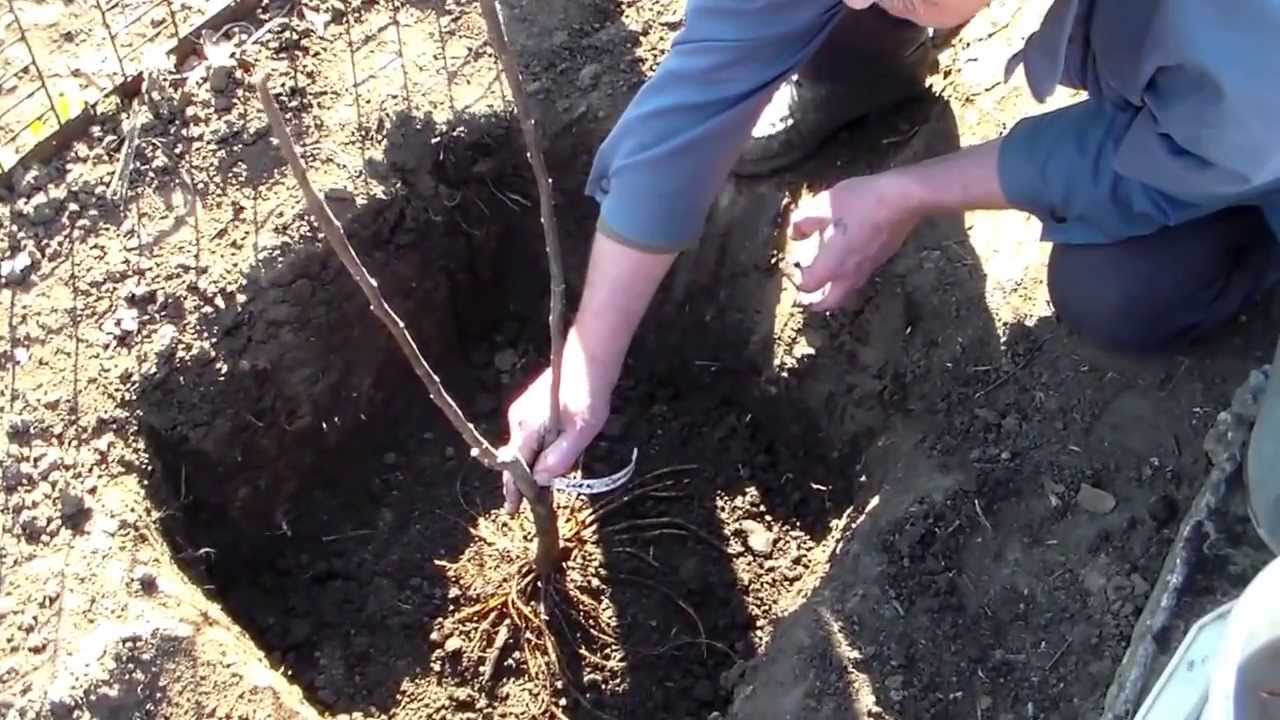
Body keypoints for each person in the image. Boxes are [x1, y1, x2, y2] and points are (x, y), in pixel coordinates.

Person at [498, 0, 1280, 551]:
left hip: (1254, 93)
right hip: (1234, 106)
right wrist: (590, 356)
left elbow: (1207, 136)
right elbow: (703, 86)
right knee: (1121, 283)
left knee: (1143, 313)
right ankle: (866, 73)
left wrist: (914, 190)